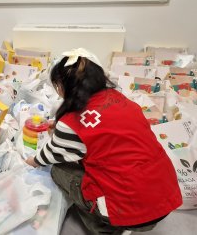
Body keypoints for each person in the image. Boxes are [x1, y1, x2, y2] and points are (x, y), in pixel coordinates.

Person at [25, 48, 182, 234]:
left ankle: (104, 228)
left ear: (62, 86)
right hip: (164, 196)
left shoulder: (72, 122)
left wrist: (31, 161)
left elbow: (49, 155)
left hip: (131, 212)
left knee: (59, 170)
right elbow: (105, 132)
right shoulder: (120, 99)